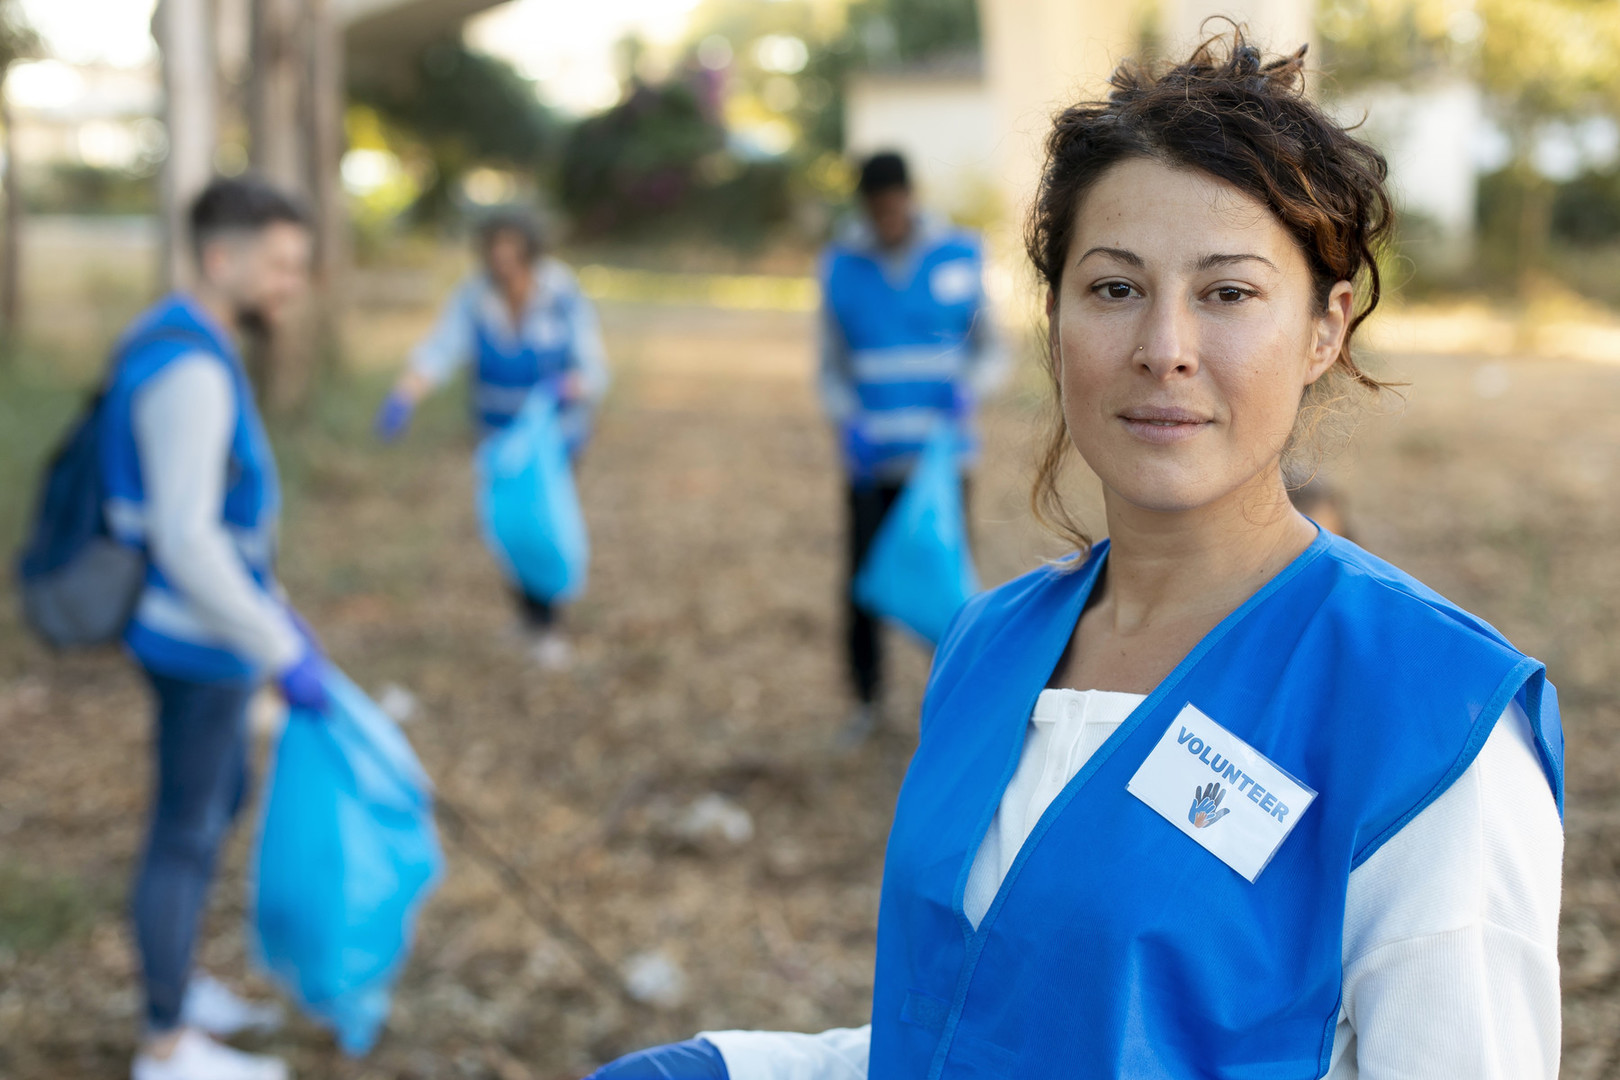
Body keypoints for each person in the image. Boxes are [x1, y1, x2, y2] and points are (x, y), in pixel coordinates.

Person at [584, 33, 1564, 1079]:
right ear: (1052, 319)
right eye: (1113, 288)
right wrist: (738, 1066)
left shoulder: (1429, 721)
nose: (1165, 347)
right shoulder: (990, 647)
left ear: (1324, 329)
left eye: (1228, 293)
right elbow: (988, 1029)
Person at [99, 177, 326, 1080]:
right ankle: (164, 1043)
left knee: (212, 806)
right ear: (221, 256)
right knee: (185, 830)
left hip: (215, 636)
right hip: (193, 643)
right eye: (278, 265)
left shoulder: (191, 342)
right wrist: (281, 648)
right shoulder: (189, 367)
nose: (290, 285)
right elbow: (187, 540)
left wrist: (274, 614)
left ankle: (181, 988)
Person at [819, 151, 1007, 743]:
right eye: (877, 212)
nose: (888, 220)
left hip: (943, 460)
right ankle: (866, 702)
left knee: (948, 580)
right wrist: (844, 418)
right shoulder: (841, 267)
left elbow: (994, 351)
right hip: (872, 459)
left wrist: (970, 390)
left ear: (910, 197)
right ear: (865, 208)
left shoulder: (960, 254)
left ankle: (951, 702)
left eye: (895, 208)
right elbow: (830, 368)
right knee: (864, 582)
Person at [374, 208, 608, 670]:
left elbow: (594, 367)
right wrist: (405, 396)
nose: (503, 260)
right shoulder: (473, 299)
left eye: (512, 250)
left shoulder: (561, 295)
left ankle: (548, 624)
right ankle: (525, 617)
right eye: (494, 250)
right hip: (499, 443)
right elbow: (439, 351)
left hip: (554, 441)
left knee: (545, 529)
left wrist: (568, 387)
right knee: (508, 529)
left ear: (529, 251)